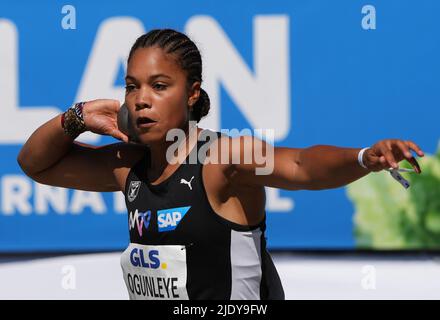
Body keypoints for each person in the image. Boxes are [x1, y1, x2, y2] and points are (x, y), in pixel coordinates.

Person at [17, 29, 424, 300]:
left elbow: (300, 165)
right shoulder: (127, 167)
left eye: (159, 86)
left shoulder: (220, 160)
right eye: (131, 86)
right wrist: (78, 116)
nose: (141, 99)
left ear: (192, 94)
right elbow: (36, 164)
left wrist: (362, 158)